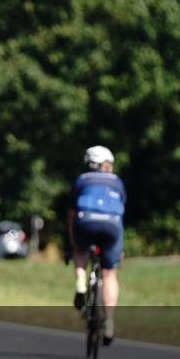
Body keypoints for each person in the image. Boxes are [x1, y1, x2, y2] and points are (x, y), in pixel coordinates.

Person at [68, 145, 127, 346]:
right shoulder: (117, 182)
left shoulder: (81, 180)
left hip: (84, 221)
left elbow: (72, 215)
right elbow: (120, 214)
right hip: (112, 227)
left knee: (80, 249)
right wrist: (119, 248)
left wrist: (72, 242)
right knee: (109, 274)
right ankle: (109, 323)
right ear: (107, 164)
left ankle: (81, 283)